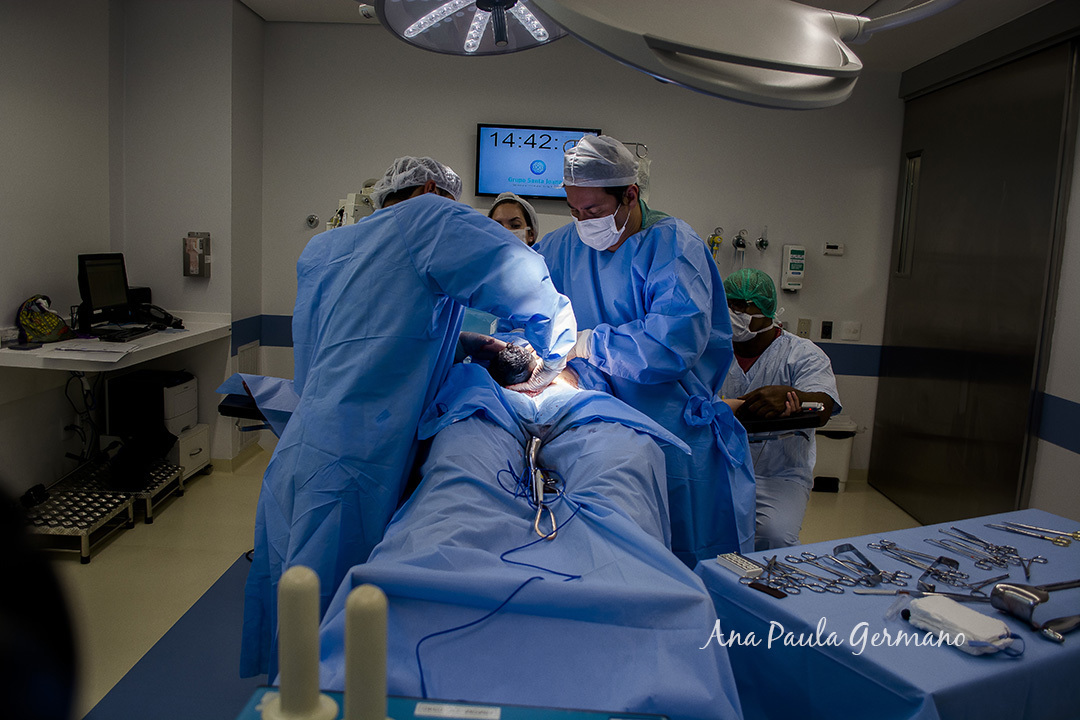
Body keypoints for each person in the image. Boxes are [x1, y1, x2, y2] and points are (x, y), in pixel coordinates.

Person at [241, 156, 577, 677]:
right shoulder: (430, 218)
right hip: (357, 459)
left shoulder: (325, 247)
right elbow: (525, 281)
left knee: (294, 589)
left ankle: (290, 694)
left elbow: (366, 336)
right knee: (336, 614)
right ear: (428, 190)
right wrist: (551, 355)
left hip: (303, 446)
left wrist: (467, 343)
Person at [534, 134, 756, 566]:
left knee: (685, 560)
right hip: (591, 431)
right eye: (575, 211)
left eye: (594, 211)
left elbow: (671, 344)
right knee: (614, 562)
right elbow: (524, 310)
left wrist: (586, 344)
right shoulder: (559, 248)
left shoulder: (674, 246)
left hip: (671, 432)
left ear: (630, 195)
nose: (584, 222)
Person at [720, 268, 841, 550]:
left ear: (765, 309)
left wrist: (793, 396)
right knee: (709, 537)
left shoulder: (801, 354)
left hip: (779, 474)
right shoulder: (711, 350)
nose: (731, 311)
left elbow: (823, 406)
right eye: (727, 303)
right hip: (721, 469)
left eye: (740, 305)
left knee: (776, 537)